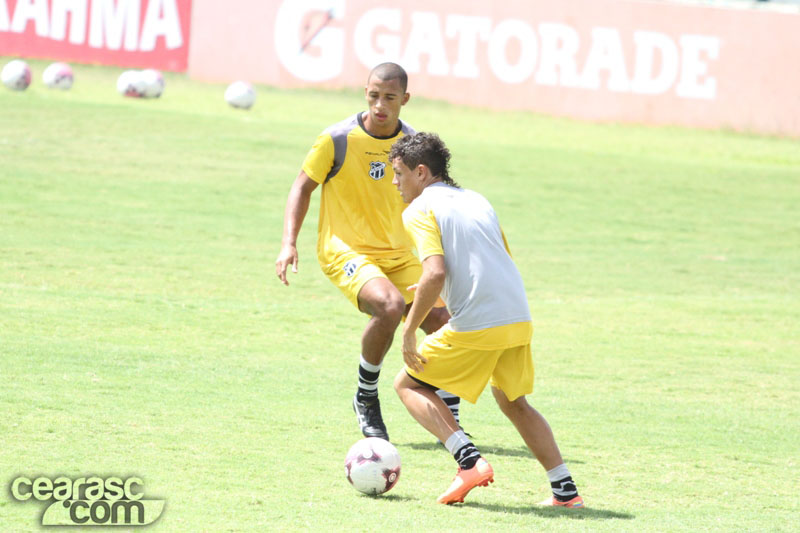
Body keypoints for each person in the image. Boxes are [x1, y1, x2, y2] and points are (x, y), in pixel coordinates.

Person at [389, 132, 583, 507]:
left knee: (408, 385)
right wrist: (444, 291)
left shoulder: (418, 209)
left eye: (399, 173)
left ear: (422, 172)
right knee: (514, 402)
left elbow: (434, 272)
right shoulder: (477, 200)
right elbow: (494, 261)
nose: (395, 182)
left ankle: (468, 462)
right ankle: (566, 493)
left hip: (480, 322)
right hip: (517, 314)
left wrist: (410, 330)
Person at [275, 63, 464, 442]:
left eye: (390, 98)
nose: (380, 105)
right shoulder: (337, 139)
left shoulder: (412, 144)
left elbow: (436, 197)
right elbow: (302, 187)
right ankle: (366, 394)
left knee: (444, 322)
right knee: (390, 306)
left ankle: (446, 403)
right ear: (366, 92)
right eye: (374, 95)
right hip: (345, 252)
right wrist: (288, 242)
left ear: (405, 100)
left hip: (398, 254)